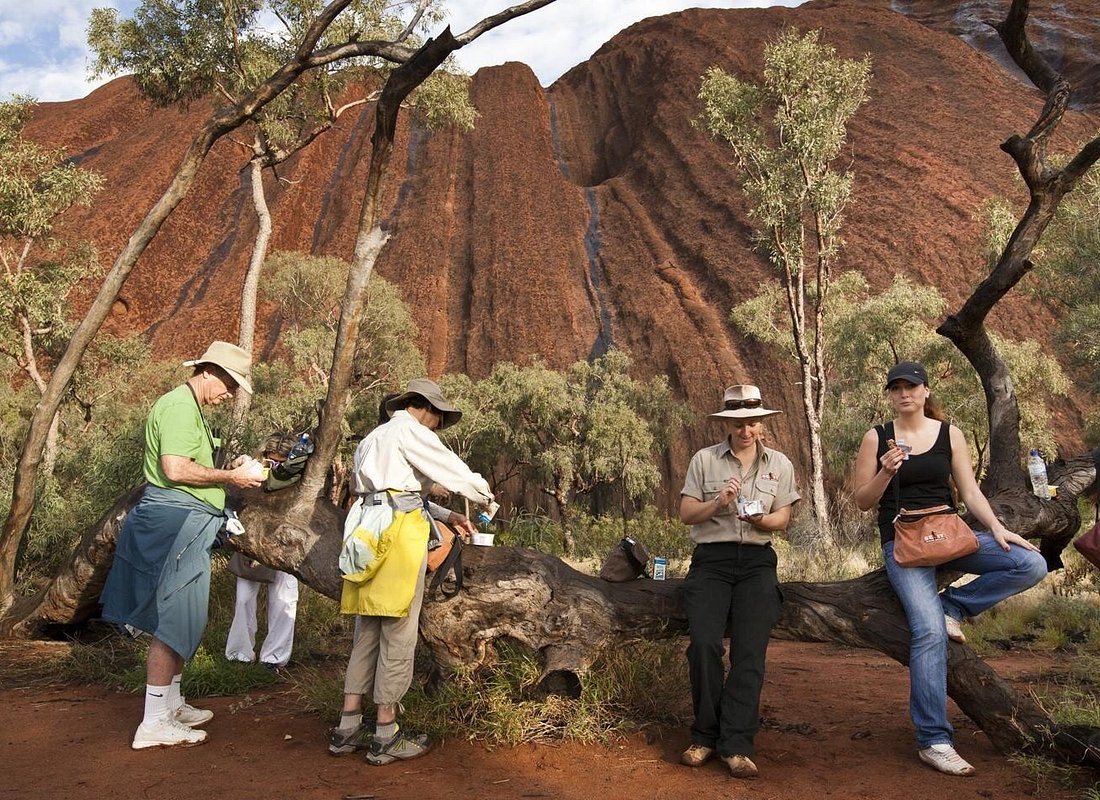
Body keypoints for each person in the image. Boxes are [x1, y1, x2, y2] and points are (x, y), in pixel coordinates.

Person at [853, 361, 1047, 776]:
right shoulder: (877, 437)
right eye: (896, 388)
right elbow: (862, 501)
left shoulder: (949, 434)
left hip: (950, 534)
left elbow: (971, 492)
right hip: (903, 544)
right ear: (890, 395)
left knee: (1031, 563)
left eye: (912, 387)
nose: (904, 394)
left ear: (925, 392)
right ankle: (934, 740)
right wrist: (886, 471)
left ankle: (954, 607)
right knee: (927, 633)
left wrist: (998, 529)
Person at [101, 341, 266, 749]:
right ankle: (153, 722)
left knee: (187, 616)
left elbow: (190, 465)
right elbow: (173, 468)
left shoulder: (190, 408)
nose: (230, 393)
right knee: (173, 618)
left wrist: (225, 470)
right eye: (229, 382)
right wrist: (233, 479)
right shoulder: (177, 407)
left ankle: (170, 704)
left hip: (188, 523)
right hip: (173, 523)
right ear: (208, 371)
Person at [329, 378, 491, 765]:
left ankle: (346, 728)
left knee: (366, 631)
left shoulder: (373, 438)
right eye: (438, 417)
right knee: (398, 632)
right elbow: (452, 471)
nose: (437, 425)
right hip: (397, 540)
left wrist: (446, 514)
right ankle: (386, 733)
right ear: (425, 408)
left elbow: (391, 492)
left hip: (365, 534)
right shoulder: (410, 431)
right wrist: (483, 493)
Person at [678, 384, 800, 779]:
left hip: (756, 563)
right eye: (737, 423)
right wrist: (719, 504)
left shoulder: (779, 464)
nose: (745, 430)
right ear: (726, 424)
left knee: (750, 651)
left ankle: (737, 745)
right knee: (704, 644)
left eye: (752, 422)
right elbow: (686, 515)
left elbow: (781, 521)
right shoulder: (704, 460)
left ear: (761, 423)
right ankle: (704, 736)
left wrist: (758, 519)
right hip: (711, 562)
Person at [224, 558, 298, 669]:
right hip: (252, 545)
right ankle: (240, 654)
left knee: (283, 601)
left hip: (287, 547)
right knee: (243, 599)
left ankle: (274, 658)